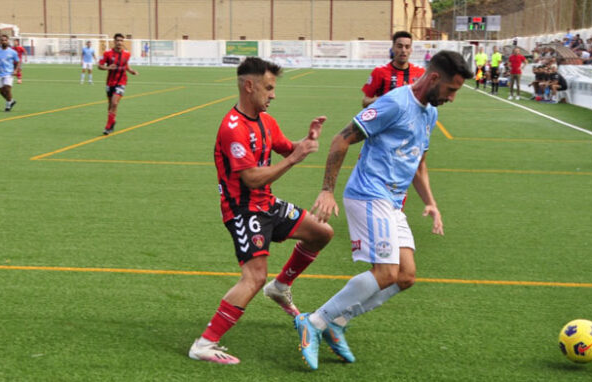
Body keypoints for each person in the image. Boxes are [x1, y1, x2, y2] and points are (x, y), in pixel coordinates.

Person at [294, 51, 473, 370]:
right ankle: (315, 321)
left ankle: (338, 320)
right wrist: (326, 189)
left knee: (404, 277)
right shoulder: (394, 103)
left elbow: (418, 162)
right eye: (451, 89)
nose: (452, 97)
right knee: (386, 272)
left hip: (392, 203)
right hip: (367, 194)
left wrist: (431, 202)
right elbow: (340, 140)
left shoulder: (429, 112)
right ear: (434, 79)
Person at [187, 57, 334, 365]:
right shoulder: (232, 128)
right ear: (249, 86)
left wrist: (305, 142)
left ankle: (280, 287)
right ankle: (204, 343)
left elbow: (285, 147)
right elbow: (251, 178)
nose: (273, 95)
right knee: (253, 277)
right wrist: (294, 159)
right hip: (243, 212)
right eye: (268, 88)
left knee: (321, 233)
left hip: (267, 204)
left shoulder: (266, 121)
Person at [362, 31, 425, 108]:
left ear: (411, 50)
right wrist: (387, 99)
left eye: (407, 47)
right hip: (387, 119)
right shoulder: (379, 71)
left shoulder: (420, 72)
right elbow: (365, 102)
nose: (403, 50)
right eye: (399, 46)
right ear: (393, 48)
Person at [98, 33, 138, 135]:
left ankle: (108, 126)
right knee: (110, 105)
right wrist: (108, 67)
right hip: (110, 83)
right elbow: (99, 65)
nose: (119, 42)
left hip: (121, 82)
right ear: (114, 42)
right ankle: (112, 121)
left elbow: (125, 65)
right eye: (118, 40)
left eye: (121, 41)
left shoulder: (127, 54)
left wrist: (131, 71)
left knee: (115, 103)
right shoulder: (107, 54)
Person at [0, 35, 19, 112]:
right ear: (0, 42)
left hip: (9, 73)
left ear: (8, 41)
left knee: (7, 89)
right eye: (2, 40)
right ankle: (11, 101)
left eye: (5, 40)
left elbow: (17, 61)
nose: (4, 41)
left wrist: (15, 70)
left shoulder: (13, 52)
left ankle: (8, 106)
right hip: (0, 73)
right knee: (1, 92)